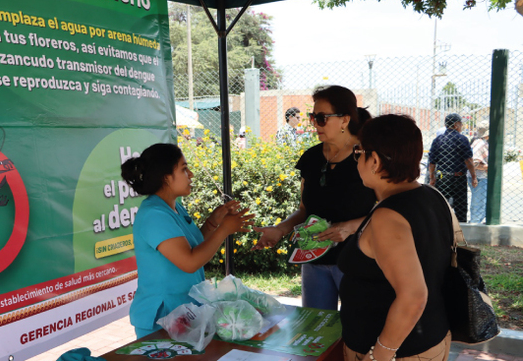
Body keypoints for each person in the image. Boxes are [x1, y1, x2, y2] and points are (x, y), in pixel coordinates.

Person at [339, 114, 452, 361]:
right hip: (431, 336)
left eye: (359, 153)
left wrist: (379, 355)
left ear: (375, 161)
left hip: (399, 352)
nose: (356, 160)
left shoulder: (388, 217)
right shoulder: (431, 196)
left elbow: (413, 296)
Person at [253, 85, 376, 310]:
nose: (314, 123)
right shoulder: (311, 158)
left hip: (358, 260)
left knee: (357, 331)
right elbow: (304, 210)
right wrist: (280, 229)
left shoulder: (368, 156)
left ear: (345, 120)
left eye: (321, 118)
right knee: (316, 329)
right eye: (312, 117)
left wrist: (349, 227)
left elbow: (387, 210)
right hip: (313, 260)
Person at [120, 143, 254, 338]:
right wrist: (224, 229)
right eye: (184, 169)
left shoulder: (172, 207)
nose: (190, 174)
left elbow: (193, 246)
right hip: (162, 319)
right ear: (166, 177)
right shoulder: (154, 215)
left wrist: (213, 222)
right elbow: (189, 262)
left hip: (183, 313)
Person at [429, 113, 477, 222]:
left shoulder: (438, 140)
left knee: (441, 207)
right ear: (456, 125)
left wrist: (432, 178)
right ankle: (460, 231)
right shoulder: (462, 139)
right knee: (460, 208)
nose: (461, 127)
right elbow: (468, 160)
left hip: (442, 178)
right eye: (461, 124)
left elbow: (432, 163)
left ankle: (441, 230)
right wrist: (473, 176)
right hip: (458, 178)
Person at [470, 130, 489, 223]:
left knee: (481, 202)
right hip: (480, 177)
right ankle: (475, 223)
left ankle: (477, 221)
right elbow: (473, 163)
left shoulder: (478, 142)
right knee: (479, 203)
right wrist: (487, 167)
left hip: (480, 176)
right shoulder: (481, 144)